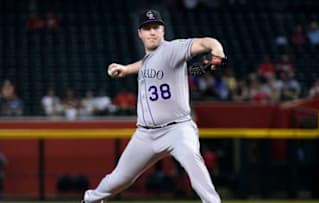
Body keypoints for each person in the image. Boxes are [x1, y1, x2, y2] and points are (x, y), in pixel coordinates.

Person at [82, 9, 225, 203]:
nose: (152, 32)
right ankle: (89, 200)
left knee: (193, 163)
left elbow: (206, 42)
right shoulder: (150, 59)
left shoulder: (173, 49)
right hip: (146, 135)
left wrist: (217, 51)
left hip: (178, 129)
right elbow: (145, 64)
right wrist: (125, 69)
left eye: (155, 27)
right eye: (146, 28)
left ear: (163, 30)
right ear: (140, 34)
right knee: (119, 179)